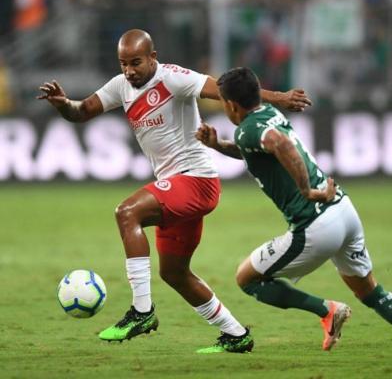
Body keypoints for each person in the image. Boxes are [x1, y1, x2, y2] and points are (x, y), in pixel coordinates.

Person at [37, 29, 312, 353]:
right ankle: (237, 335)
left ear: (152, 57)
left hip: (196, 181)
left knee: (127, 213)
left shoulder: (173, 78)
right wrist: (63, 104)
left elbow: (222, 88)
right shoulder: (121, 86)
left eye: (136, 62)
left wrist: (280, 97)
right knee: (175, 273)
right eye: (123, 63)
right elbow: (81, 111)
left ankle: (142, 311)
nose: (129, 70)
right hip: (178, 187)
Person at [196, 66, 392, 351]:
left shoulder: (248, 128)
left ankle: (327, 310)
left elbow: (280, 144)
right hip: (343, 210)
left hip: (315, 225)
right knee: (372, 293)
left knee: (247, 279)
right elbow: (253, 149)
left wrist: (305, 191)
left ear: (230, 104)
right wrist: (218, 145)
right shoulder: (268, 115)